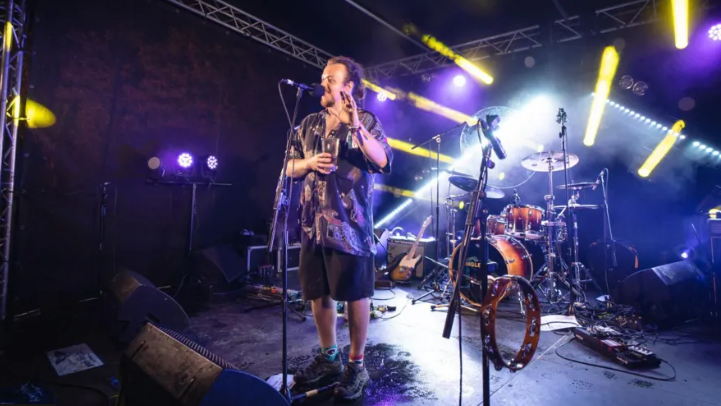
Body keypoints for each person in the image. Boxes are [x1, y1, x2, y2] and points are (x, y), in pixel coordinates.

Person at [285, 56, 393, 400]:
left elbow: (383, 159)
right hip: (312, 223)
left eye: (331, 78)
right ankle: (329, 358)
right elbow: (288, 167)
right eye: (323, 77)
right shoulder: (309, 123)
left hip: (350, 227)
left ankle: (356, 365)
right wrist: (307, 163)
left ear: (349, 86)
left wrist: (356, 127)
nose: (323, 82)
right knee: (319, 292)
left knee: (355, 295)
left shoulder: (367, 121)